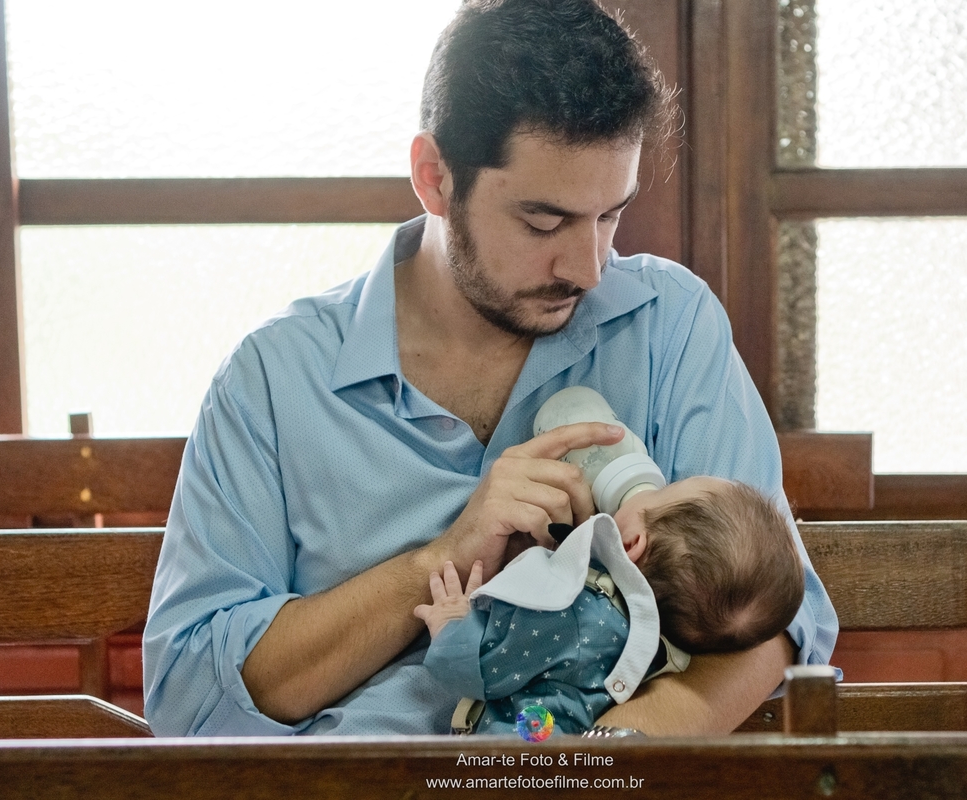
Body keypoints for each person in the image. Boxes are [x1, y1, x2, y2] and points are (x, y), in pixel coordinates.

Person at [142, 0, 838, 737]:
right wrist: (437, 560)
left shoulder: (670, 326)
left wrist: (591, 769)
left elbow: (769, 623)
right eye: (544, 222)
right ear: (434, 177)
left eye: (610, 216)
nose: (589, 267)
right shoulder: (274, 380)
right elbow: (192, 698)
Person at [417, 476, 805, 735]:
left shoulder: (575, 613)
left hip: (515, 760)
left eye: (660, 491)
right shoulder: (659, 651)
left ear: (634, 543)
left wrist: (453, 625)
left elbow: (484, 669)